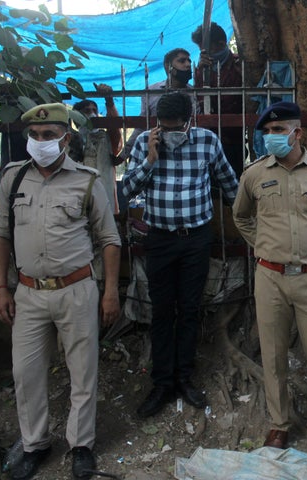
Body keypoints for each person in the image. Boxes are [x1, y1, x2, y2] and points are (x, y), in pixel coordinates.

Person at [0, 103, 121, 480]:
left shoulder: (86, 180)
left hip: (76, 290)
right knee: (26, 373)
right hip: (28, 294)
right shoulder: (14, 179)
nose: (40, 142)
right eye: (34, 135)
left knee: (82, 371)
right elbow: (0, 235)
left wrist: (110, 291)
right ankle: (35, 444)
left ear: (67, 137)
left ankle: (81, 445)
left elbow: (110, 239)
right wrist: (1, 288)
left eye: (49, 135)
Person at [233, 101, 307, 450]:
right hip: (270, 278)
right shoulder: (254, 174)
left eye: (278, 130)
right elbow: (240, 216)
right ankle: (279, 423)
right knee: (272, 355)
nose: (271, 136)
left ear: (297, 133)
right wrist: (263, 244)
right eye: (267, 132)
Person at [122, 92, 238, 418]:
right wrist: (150, 160)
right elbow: (127, 191)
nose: (171, 131)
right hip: (159, 239)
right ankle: (161, 383)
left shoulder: (207, 141)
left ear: (190, 120)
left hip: (196, 239)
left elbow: (230, 185)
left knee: (189, 309)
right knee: (161, 312)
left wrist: (249, 218)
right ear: (157, 122)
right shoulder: (146, 142)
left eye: (177, 127)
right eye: (164, 125)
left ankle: (184, 378)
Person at [121, 48, 194, 160]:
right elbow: (141, 125)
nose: (188, 64)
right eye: (182, 61)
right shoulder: (151, 92)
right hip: (156, 150)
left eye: (189, 61)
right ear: (167, 66)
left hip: (187, 151)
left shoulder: (195, 94)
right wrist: (125, 154)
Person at [191, 22, 244, 176]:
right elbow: (201, 101)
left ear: (221, 44)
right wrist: (202, 74)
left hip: (235, 139)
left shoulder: (239, 64)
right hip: (208, 138)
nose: (203, 53)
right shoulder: (200, 69)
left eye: (207, 49)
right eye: (200, 49)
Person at [73, 83, 123, 214]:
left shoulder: (105, 137)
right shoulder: (71, 139)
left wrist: (109, 101)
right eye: (87, 111)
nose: (93, 114)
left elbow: (115, 128)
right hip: (78, 197)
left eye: (95, 110)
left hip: (104, 198)